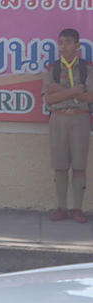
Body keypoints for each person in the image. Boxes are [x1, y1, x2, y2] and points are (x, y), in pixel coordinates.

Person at [42, 28, 90, 224]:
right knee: (60, 166)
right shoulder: (52, 69)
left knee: (79, 166)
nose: (64, 46)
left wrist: (59, 91)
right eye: (61, 42)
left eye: (68, 42)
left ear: (78, 45)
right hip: (59, 118)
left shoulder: (87, 68)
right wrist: (73, 91)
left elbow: (90, 96)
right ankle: (61, 207)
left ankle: (77, 208)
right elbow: (49, 101)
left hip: (80, 118)